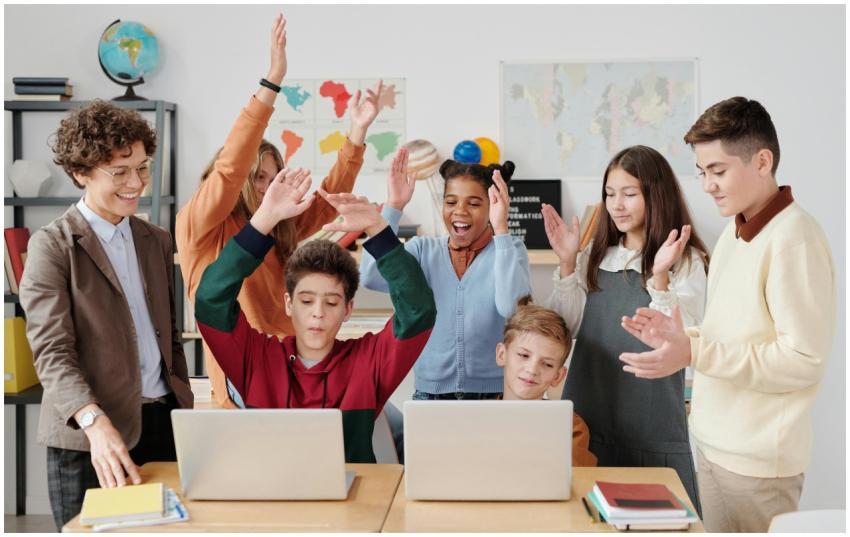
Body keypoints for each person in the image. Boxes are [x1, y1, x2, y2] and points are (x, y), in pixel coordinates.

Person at [620, 97, 835, 532]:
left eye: (718, 171)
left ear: (762, 161)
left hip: (757, 464)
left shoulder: (794, 239)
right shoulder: (736, 235)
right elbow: (734, 333)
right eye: (702, 173)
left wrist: (695, 353)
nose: (707, 185)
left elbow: (803, 361)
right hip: (715, 446)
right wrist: (682, 339)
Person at [176, 13, 384, 407]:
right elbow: (230, 167)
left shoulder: (279, 227)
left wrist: (356, 132)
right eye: (257, 178)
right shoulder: (203, 223)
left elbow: (328, 201)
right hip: (244, 380)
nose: (267, 187)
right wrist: (272, 81)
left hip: (292, 367)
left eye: (273, 177)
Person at [18, 100, 193, 530]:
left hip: (161, 424)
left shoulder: (154, 239)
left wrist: (182, 403)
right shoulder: (51, 246)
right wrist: (95, 424)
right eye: (120, 172)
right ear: (81, 172)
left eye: (143, 167)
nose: (137, 183)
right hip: (90, 437)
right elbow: (53, 354)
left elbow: (166, 333)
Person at [192, 165, 436, 462]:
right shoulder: (257, 358)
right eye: (306, 301)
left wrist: (378, 230)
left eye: (331, 303)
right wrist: (263, 221)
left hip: (354, 502)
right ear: (288, 304)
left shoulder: (368, 362)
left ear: (348, 309)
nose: (318, 314)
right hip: (275, 500)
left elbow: (418, 310)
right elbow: (209, 300)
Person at [543, 145, 709, 511]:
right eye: (610, 194)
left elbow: (687, 339)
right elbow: (563, 330)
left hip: (652, 428)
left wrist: (661, 275)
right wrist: (569, 263)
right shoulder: (595, 255)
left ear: (656, 193)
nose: (617, 204)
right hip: (588, 422)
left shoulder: (687, 261)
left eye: (630, 194)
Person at [360, 149, 531, 400]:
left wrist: (501, 228)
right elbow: (371, 276)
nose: (460, 211)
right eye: (451, 202)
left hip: (494, 395)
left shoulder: (510, 249)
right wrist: (394, 207)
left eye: (474, 203)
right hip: (430, 395)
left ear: (493, 207)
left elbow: (511, 308)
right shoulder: (421, 251)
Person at [495, 298, 597, 467]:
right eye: (523, 355)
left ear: (558, 376)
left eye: (547, 364)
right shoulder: (472, 419)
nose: (532, 369)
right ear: (501, 355)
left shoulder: (570, 426)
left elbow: (573, 482)